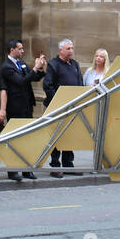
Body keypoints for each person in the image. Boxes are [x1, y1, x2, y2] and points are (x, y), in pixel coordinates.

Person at [0, 38, 46, 180]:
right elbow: (21, 82)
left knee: (27, 138)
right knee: (14, 139)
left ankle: (26, 169)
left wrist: (41, 68)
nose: (23, 51)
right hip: (15, 107)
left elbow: (33, 78)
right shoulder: (7, 67)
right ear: (12, 49)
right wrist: (35, 68)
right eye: (20, 49)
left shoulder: (21, 63)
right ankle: (12, 171)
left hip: (26, 105)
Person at [43, 38, 82, 174]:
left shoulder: (75, 65)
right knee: (56, 136)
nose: (71, 51)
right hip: (58, 108)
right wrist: (59, 101)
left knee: (69, 136)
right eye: (68, 49)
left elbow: (80, 84)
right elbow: (48, 86)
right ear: (61, 50)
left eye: (72, 48)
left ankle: (68, 163)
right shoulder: (53, 65)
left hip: (72, 107)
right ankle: (55, 165)